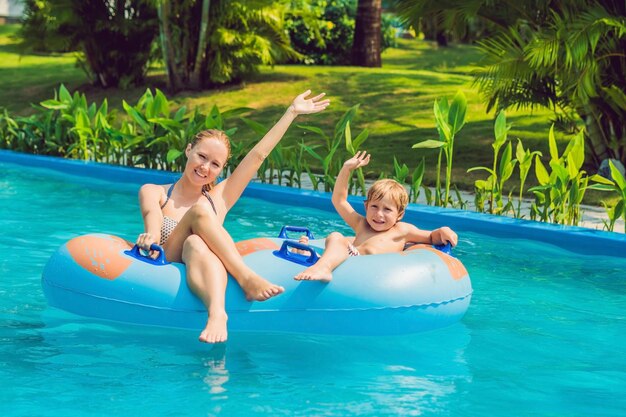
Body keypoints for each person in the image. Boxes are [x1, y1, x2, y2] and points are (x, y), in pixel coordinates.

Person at [135, 90, 330, 343]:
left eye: (215, 164)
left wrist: (290, 113)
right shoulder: (155, 192)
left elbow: (257, 157)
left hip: (199, 257)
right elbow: (152, 216)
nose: (205, 167)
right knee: (198, 212)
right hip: (168, 256)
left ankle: (217, 315)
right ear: (188, 150)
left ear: (220, 171)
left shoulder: (219, 198)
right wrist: (150, 236)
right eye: (201, 156)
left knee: (195, 242)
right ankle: (246, 277)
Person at [294, 151, 458, 282]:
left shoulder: (401, 230)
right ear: (366, 206)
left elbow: (430, 237)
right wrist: (346, 169)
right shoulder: (361, 224)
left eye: (387, 209)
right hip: (349, 261)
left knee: (339, 242)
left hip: (369, 271)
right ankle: (319, 263)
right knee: (336, 236)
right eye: (374, 207)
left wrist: (443, 230)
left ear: (399, 214)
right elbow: (339, 200)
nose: (379, 214)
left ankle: (320, 264)